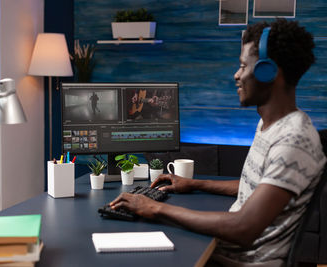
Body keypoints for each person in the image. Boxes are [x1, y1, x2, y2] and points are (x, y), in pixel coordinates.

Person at [109, 19, 326, 266]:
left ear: (268, 71)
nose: (237, 74)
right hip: (224, 253)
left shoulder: (293, 140)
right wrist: (195, 183)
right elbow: (257, 186)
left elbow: (244, 228)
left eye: (244, 66)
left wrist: (155, 208)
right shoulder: (271, 125)